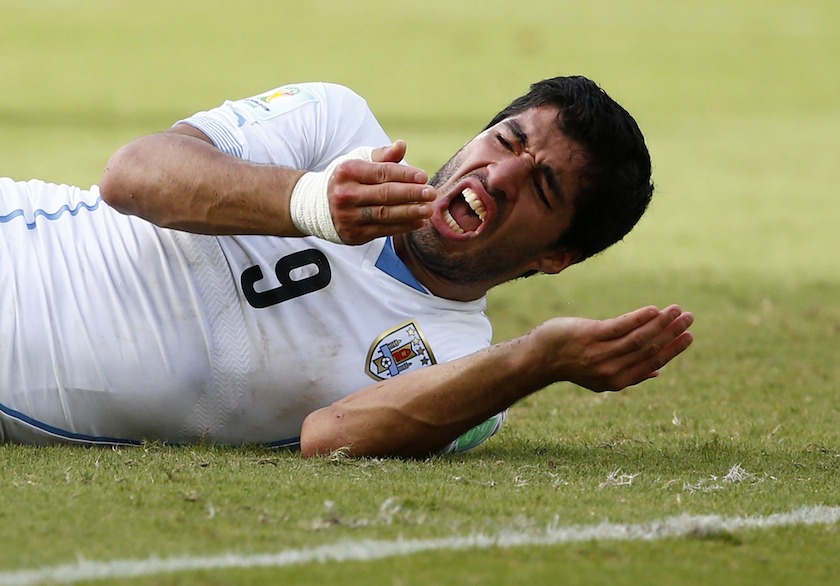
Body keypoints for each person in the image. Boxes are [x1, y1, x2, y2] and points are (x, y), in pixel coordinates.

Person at [0, 76, 694, 458]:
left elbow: (329, 436)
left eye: (542, 186)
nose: (502, 174)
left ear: (555, 256)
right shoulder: (337, 127)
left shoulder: (469, 369)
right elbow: (132, 175)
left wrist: (537, 359)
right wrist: (308, 201)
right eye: (507, 139)